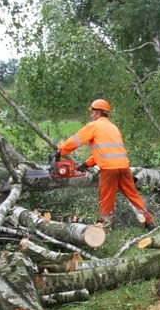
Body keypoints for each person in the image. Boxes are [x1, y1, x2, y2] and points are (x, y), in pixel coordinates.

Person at [55, 99, 153, 231]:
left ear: (98, 112)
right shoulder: (113, 127)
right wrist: (86, 164)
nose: (91, 115)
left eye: (93, 112)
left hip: (109, 169)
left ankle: (105, 227)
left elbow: (75, 140)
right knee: (133, 194)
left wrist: (61, 151)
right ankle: (148, 221)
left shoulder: (94, 126)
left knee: (106, 196)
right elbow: (107, 151)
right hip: (124, 167)